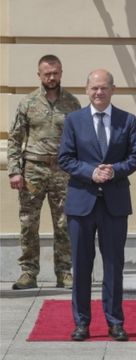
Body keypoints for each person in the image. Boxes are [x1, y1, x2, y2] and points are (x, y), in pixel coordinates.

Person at [58, 69, 136, 341]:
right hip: (81, 202)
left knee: (114, 266)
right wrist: (90, 172)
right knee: (82, 266)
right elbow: (65, 158)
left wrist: (114, 170)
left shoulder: (127, 120)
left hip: (114, 204)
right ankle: (81, 323)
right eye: (94, 88)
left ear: (113, 90)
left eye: (104, 88)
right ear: (86, 90)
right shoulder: (74, 120)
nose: (99, 93)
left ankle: (115, 322)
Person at [7, 54, 81, 290]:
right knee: (29, 223)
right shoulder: (27, 103)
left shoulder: (72, 103)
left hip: (63, 171)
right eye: (47, 73)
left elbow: (80, 139)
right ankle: (28, 272)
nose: (52, 77)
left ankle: (64, 272)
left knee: (64, 223)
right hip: (33, 171)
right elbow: (14, 139)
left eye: (56, 72)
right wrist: (14, 171)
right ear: (39, 74)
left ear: (61, 73)